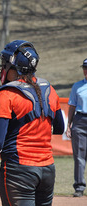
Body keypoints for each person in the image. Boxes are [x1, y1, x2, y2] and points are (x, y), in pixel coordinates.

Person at [0, 40, 65, 205]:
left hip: (19, 169)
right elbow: (59, 128)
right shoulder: (50, 89)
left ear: (15, 67)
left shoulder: (7, 94)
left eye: (5, 63)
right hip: (47, 169)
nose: (3, 67)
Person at [66, 58, 87, 197]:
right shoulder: (77, 86)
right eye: (84, 68)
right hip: (80, 121)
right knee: (79, 156)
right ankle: (79, 187)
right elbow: (72, 106)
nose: (85, 70)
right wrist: (69, 125)